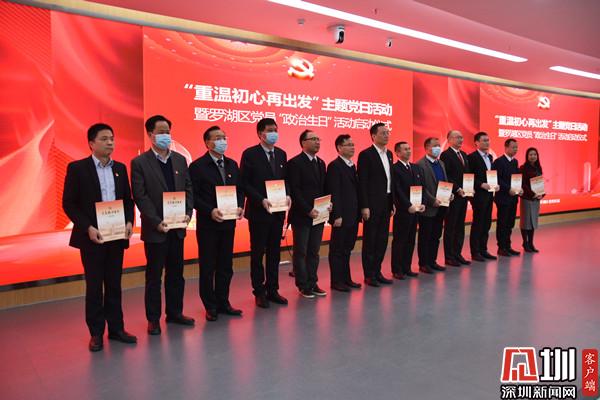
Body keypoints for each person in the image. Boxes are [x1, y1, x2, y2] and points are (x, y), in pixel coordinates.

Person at [62, 123, 137, 352]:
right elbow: (69, 204)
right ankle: (96, 333)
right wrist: (87, 227)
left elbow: (127, 201)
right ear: (91, 143)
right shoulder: (78, 168)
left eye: (112, 138)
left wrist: (129, 222)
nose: (110, 142)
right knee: (95, 286)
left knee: (114, 284)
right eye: (104, 139)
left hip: (116, 236)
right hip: (92, 237)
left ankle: (116, 328)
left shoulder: (120, 168)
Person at [131, 115, 195, 335]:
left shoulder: (179, 160)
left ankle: (175, 313)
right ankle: (153, 319)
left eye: (168, 131)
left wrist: (188, 214)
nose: (166, 136)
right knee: (154, 277)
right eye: (161, 132)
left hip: (177, 229)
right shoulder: (140, 163)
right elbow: (140, 196)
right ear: (150, 135)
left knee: (176, 274)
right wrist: (156, 221)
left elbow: (188, 189)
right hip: (156, 230)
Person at [189, 126, 244, 322]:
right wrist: (210, 210)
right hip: (208, 224)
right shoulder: (197, 166)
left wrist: (240, 205)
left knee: (226, 265)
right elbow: (193, 196)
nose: (222, 141)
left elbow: (239, 189)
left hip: (228, 224)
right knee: (208, 266)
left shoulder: (232, 164)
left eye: (224, 137)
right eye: (217, 138)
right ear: (207, 142)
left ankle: (223, 302)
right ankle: (210, 305)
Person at [240, 118, 291, 308]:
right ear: (260, 133)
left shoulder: (281, 154)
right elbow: (244, 183)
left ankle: (273, 289)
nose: (274, 133)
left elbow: (286, 180)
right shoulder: (250, 154)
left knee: (274, 252)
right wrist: (261, 199)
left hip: (277, 212)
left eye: (276, 130)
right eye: (270, 130)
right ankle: (259, 291)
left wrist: (288, 195)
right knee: (258, 253)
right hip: (259, 212)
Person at [288, 130, 329, 298]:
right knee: (301, 252)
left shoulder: (321, 163)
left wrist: (328, 203)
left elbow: (324, 188)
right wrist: (307, 209)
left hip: (319, 214)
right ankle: (303, 285)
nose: (317, 142)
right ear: (303, 143)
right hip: (301, 215)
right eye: (313, 139)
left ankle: (313, 282)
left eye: (318, 139)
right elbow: (295, 190)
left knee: (314, 251)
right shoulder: (295, 163)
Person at [357, 123, 394, 287]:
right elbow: (363, 182)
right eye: (383, 133)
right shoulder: (366, 155)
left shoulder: (389, 154)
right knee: (370, 240)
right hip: (372, 204)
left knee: (382, 239)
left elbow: (390, 181)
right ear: (373, 136)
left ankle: (377, 271)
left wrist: (392, 202)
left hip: (386, 202)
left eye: (388, 132)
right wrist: (364, 205)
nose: (387, 135)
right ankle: (369, 274)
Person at [326, 134, 362, 292]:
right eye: (348, 145)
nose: (352, 147)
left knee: (347, 249)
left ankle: (346, 278)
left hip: (353, 215)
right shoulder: (335, 166)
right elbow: (334, 192)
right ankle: (336, 281)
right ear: (339, 148)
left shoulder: (352, 166)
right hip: (341, 216)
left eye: (353, 144)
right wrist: (337, 215)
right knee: (337, 249)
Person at [416, 137, 451, 273]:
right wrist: (431, 200)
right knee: (425, 236)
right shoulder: (420, 164)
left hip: (442, 205)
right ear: (427, 148)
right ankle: (424, 263)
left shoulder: (441, 163)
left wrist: (449, 194)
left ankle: (432, 261)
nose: (438, 148)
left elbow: (445, 182)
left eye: (438, 145)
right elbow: (421, 187)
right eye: (435, 145)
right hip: (429, 207)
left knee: (436, 235)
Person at [391, 141, 425, 280]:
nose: (408, 151)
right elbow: (397, 189)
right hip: (403, 211)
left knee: (411, 240)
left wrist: (422, 203)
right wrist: (407, 205)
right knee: (400, 240)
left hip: (415, 210)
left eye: (409, 148)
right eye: (405, 149)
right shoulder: (394, 168)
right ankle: (397, 269)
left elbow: (421, 187)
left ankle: (407, 267)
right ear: (397, 153)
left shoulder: (415, 168)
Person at [440, 130, 471, 267]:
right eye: (457, 137)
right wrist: (457, 188)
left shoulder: (463, 154)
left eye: (461, 137)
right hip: (453, 196)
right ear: (449, 139)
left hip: (464, 196)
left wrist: (469, 189)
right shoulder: (445, 155)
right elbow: (447, 175)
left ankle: (458, 254)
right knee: (451, 226)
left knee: (460, 226)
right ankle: (449, 256)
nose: (461, 140)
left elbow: (467, 175)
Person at [467, 132, 498, 262]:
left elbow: (491, 175)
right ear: (476, 142)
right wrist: (480, 184)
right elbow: (469, 176)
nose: (487, 142)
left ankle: (483, 249)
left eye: (488, 140)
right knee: (478, 223)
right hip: (478, 195)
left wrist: (495, 184)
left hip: (489, 194)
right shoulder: (472, 157)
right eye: (484, 140)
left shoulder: (490, 157)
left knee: (486, 223)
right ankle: (475, 252)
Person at [492, 139, 523, 257]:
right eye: (513, 147)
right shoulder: (498, 162)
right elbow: (497, 179)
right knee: (502, 223)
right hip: (503, 198)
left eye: (516, 147)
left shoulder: (515, 162)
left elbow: (516, 178)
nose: (515, 149)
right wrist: (508, 188)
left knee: (510, 223)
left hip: (513, 198)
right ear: (506, 147)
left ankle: (508, 246)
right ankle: (501, 247)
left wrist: (519, 188)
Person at [519, 147, 544, 253]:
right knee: (526, 222)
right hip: (527, 198)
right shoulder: (523, 168)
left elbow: (540, 182)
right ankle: (525, 242)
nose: (533, 156)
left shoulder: (538, 167)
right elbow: (523, 184)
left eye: (534, 154)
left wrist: (541, 194)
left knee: (533, 221)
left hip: (536, 199)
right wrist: (533, 193)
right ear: (527, 156)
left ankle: (531, 243)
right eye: (530, 154)